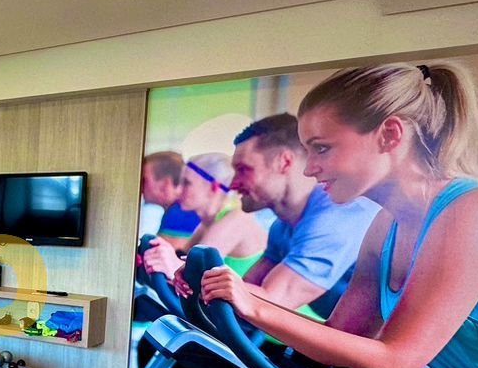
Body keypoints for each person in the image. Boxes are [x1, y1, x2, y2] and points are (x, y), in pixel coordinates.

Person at [199, 62, 478, 368]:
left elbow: (394, 362)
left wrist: (253, 305)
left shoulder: (472, 214)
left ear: (390, 135)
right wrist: (233, 299)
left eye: (322, 148)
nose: (309, 169)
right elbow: (341, 336)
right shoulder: (385, 226)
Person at [224, 114, 379, 318]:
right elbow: (248, 290)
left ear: (284, 162)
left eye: (244, 170)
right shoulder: (282, 227)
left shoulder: (333, 218)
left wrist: (201, 281)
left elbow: (267, 304)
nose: (232, 184)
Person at [140, 152, 266, 283]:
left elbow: (194, 274)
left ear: (213, 187)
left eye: (187, 183)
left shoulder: (235, 221)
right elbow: (182, 258)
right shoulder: (208, 223)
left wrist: (167, 258)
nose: (179, 189)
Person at [139, 151, 199, 245]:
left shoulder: (179, 214)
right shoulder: (183, 210)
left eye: (144, 180)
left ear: (165, 184)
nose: (138, 186)